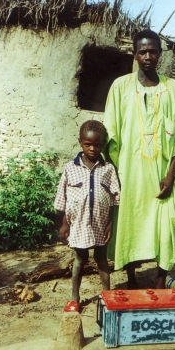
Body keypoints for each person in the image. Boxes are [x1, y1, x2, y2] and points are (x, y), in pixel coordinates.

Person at [104, 29, 175, 289]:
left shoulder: (172, 88)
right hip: (130, 173)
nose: (147, 56)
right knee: (131, 221)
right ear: (134, 55)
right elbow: (111, 131)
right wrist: (117, 172)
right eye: (142, 51)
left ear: (159, 54)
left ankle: (159, 279)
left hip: (161, 174)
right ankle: (131, 279)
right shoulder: (121, 87)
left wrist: (171, 174)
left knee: (165, 225)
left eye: (152, 51)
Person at [54, 120, 120, 312]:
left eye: (97, 145)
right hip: (79, 224)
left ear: (103, 144)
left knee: (101, 259)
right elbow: (64, 198)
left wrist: (110, 224)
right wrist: (64, 224)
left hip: (100, 223)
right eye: (88, 144)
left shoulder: (107, 169)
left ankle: (106, 294)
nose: (92, 148)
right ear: (81, 143)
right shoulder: (70, 168)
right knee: (80, 259)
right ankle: (75, 297)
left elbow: (114, 198)